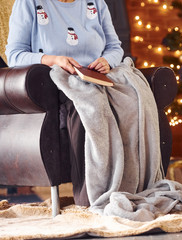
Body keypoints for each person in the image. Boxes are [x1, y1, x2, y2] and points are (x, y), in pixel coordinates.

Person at [5, 0, 125, 206]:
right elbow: (14, 56)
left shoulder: (96, 3)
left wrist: (108, 61)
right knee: (85, 106)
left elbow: (115, 48)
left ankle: (128, 190)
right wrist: (54, 60)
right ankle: (91, 200)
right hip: (57, 81)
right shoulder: (29, 3)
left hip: (99, 79)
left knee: (132, 103)